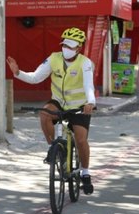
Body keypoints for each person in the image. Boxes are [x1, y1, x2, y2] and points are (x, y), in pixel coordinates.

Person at [6, 27, 96, 195]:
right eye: (64, 45)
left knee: (81, 139)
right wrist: (18, 73)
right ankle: (53, 149)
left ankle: (85, 173)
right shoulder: (53, 59)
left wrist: (90, 102)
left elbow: (88, 86)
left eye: (71, 46)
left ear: (79, 48)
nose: (66, 49)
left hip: (79, 106)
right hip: (59, 102)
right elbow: (35, 77)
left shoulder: (85, 63)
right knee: (45, 113)